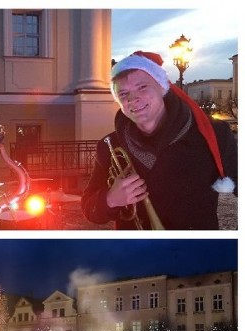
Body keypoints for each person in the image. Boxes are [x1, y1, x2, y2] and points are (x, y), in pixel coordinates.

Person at [82, 51, 237, 230]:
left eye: (142, 87)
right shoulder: (109, 145)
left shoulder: (213, 134)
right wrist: (109, 199)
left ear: (162, 88)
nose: (133, 99)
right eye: (124, 94)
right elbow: (89, 209)